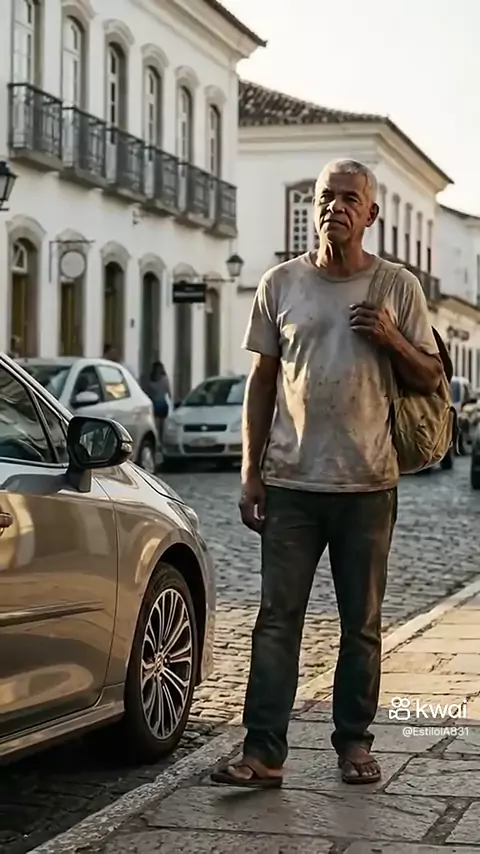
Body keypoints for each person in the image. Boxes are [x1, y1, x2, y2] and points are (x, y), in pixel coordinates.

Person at [211, 159, 443, 789]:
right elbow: (262, 383)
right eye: (324, 197)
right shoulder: (280, 282)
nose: (334, 207)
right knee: (276, 621)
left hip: (368, 485)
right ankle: (263, 752)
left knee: (360, 626)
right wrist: (250, 472)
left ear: (371, 214)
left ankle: (355, 744)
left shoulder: (398, 287)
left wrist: (392, 339)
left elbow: (430, 375)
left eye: (348, 199)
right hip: (290, 485)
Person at [147, 361, 171, 441]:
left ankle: (157, 439)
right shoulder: (165, 379)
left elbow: (149, 393)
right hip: (162, 403)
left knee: (156, 424)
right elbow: (168, 392)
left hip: (155, 403)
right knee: (161, 424)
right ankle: (160, 439)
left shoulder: (151, 380)